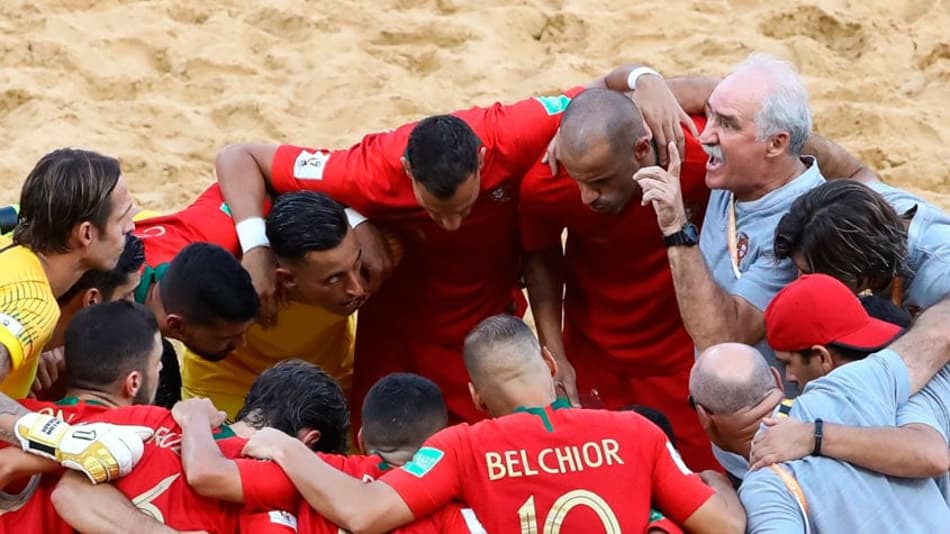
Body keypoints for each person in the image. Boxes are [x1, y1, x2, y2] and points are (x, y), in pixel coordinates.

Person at [214, 64, 673, 427]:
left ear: (481, 159)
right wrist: (259, 248)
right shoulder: (369, 169)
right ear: (406, 172)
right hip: (397, 335)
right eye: (435, 212)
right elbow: (241, 157)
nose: (452, 224)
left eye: (465, 207)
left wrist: (643, 78)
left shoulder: (511, 132)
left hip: (485, 329)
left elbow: (604, 95)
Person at [520, 62, 874, 472]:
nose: (585, 197)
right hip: (597, 352)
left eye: (598, 181)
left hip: (693, 360)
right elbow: (541, 254)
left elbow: (721, 335)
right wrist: (644, 79)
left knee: (702, 479)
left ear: (639, 151)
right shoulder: (555, 177)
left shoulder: (730, 180)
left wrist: (860, 175)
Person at [241, 315, 746, 533]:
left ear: (477, 398)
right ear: (549, 365)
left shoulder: (463, 446)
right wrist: (716, 480)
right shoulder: (636, 433)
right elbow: (725, 525)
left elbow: (364, 514)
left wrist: (287, 450)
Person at [688, 293, 950, 532]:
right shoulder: (848, 385)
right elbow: (940, 332)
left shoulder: (765, 491)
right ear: (775, 380)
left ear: (704, 418)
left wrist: (725, 506)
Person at [173, 189, 378, 417]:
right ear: (287, 278)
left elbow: (257, 162)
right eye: (334, 278)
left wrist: (357, 218)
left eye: (357, 265)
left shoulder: (375, 253)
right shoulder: (222, 269)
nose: (357, 289)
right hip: (227, 384)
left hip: (330, 378)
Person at [749, 274, 948, 502]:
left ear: (822, 357)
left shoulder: (901, 385)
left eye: (788, 363)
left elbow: (931, 455)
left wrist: (813, 436)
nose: (789, 376)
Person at [1, 148, 135, 398]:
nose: (132, 226)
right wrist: (41, 430)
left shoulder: (10, 236)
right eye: (122, 219)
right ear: (86, 234)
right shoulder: (34, 306)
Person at [775, 178, 950, 317]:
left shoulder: (939, 277)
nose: (799, 283)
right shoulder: (865, 200)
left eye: (809, 273)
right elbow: (856, 170)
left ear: (862, 275)